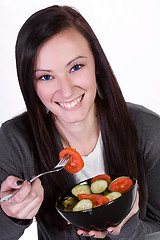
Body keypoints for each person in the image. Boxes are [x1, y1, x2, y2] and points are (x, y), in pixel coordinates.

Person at [0, 5, 160, 240]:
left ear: (96, 64)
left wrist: (129, 229)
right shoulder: (14, 141)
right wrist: (11, 215)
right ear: (31, 85)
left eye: (76, 67)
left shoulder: (148, 131)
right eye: (46, 76)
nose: (66, 91)